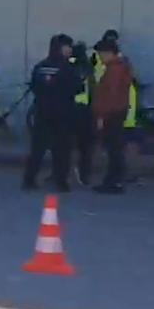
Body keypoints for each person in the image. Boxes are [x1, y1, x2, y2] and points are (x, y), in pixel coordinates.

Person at [22, 34, 79, 192]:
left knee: (37, 149)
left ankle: (29, 179)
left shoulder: (41, 66)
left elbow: (34, 86)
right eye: (68, 47)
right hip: (62, 114)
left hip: (42, 112)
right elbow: (76, 87)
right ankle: (61, 181)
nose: (70, 50)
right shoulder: (67, 68)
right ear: (61, 48)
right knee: (62, 149)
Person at [90, 36, 133, 194]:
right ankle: (114, 181)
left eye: (101, 53)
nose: (100, 57)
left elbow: (110, 95)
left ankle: (113, 182)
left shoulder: (114, 69)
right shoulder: (121, 67)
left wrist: (101, 116)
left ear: (109, 53)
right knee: (115, 149)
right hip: (117, 112)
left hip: (112, 114)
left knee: (113, 150)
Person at [69, 41, 95, 185]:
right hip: (87, 110)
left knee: (66, 143)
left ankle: (65, 173)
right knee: (85, 146)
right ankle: (84, 174)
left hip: (72, 109)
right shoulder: (88, 67)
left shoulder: (71, 65)